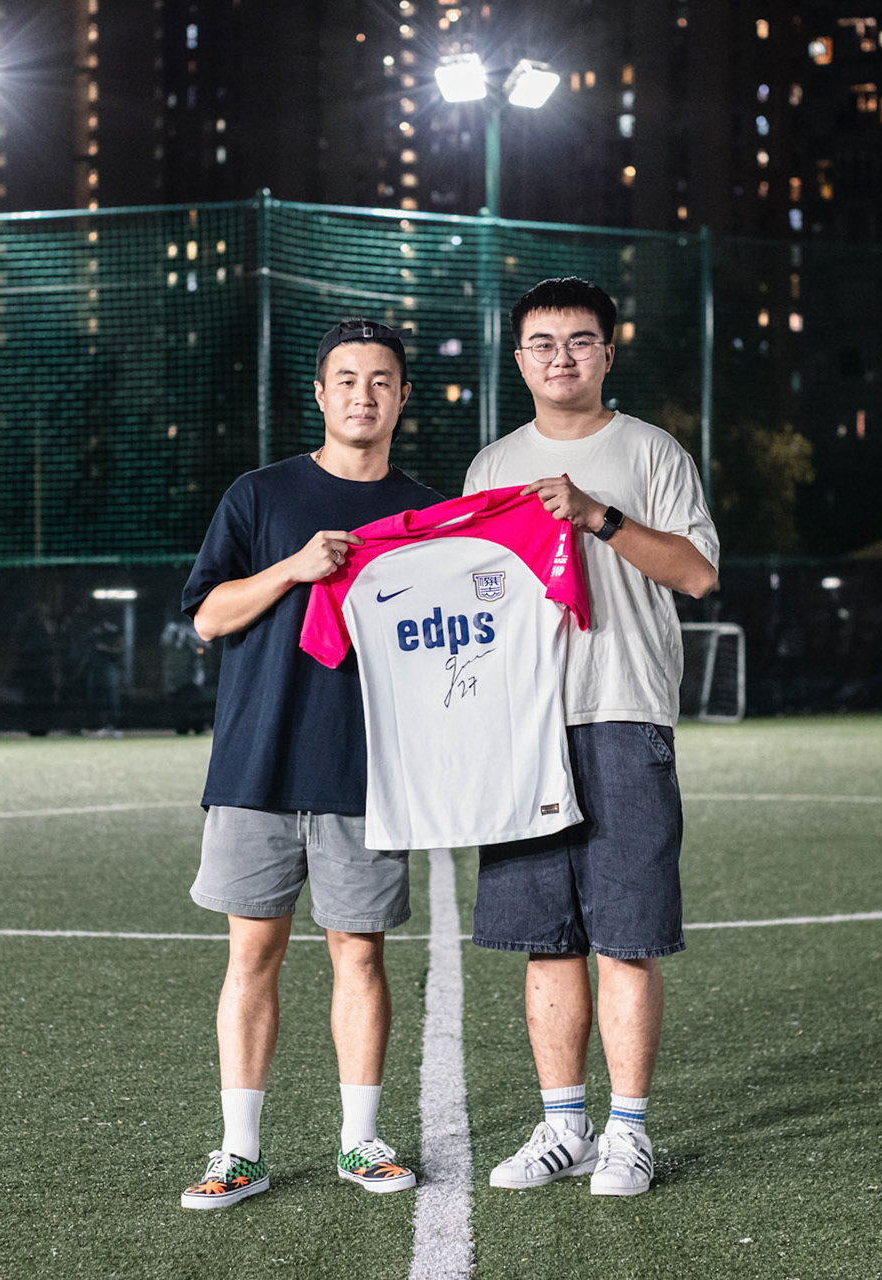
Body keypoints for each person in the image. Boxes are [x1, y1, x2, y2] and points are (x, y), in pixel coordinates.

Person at [176, 319, 443, 1210]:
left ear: (404, 398)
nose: (362, 394)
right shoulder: (260, 496)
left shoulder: (426, 516)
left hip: (365, 773)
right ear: (320, 394)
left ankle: (360, 1141)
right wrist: (292, 568)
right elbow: (210, 616)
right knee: (251, 956)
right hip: (255, 767)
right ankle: (238, 1150)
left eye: (381, 381)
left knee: (358, 957)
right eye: (346, 378)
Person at [463, 277, 719, 1197]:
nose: (561, 357)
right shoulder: (491, 466)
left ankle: (629, 1131)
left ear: (610, 352)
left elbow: (695, 575)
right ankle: (562, 1124)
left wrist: (597, 515)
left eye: (580, 341)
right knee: (546, 938)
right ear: (519, 357)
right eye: (543, 343)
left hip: (622, 713)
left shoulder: (650, 451)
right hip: (524, 724)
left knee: (627, 935)